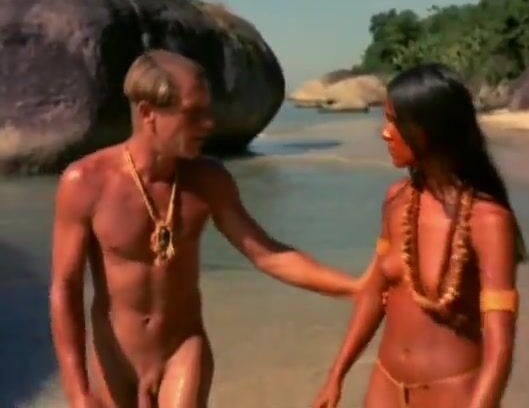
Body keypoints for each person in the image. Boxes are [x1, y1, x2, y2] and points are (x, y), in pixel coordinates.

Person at [49, 49, 362, 408]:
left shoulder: (208, 180)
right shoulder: (86, 182)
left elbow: (268, 255)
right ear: (149, 114)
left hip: (181, 349)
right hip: (114, 358)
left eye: (207, 112)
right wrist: (77, 391)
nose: (209, 124)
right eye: (193, 113)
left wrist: (356, 288)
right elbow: (65, 289)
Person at [312, 63, 528, 408]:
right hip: (384, 388)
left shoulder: (488, 221)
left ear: (428, 129)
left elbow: (500, 345)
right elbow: (373, 296)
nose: (385, 133)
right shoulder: (396, 200)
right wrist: (336, 375)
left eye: (394, 122)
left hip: (451, 394)